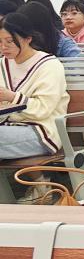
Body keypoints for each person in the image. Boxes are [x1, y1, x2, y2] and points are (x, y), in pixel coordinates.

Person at [0, 10, 69, 158]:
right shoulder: (2, 64)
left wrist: (12, 97)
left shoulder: (49, 65)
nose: (3, 47)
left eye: (9, 41)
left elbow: (43, 109)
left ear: (28, 39)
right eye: (0, 42)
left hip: (41, 132)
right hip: (7, 128)